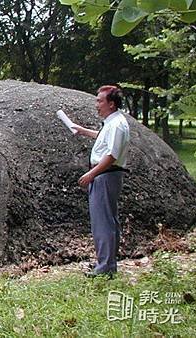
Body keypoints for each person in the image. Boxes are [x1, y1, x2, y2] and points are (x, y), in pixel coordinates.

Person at [73, 85, 130, 278]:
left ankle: (105, 267)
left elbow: (112, 154)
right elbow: (104, 138)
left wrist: (92, 174)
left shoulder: (116, 124)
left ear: (111, 104)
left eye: (100, 101)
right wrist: (82, 131)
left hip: (106, 175)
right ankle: (107, 263)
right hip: (107, 175)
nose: (96, 104)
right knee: (108, 220)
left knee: (103, 222)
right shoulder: (113, 123)